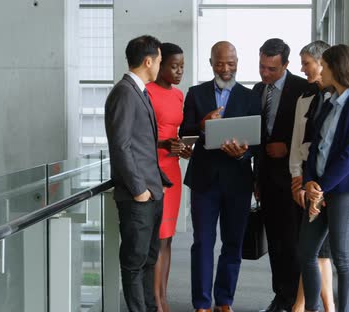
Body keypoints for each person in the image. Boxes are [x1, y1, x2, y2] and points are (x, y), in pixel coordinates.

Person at [180, 41, 261, 312]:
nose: (226, 68)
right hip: (204, 180)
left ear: (238, 61)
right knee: (202, 242)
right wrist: (203, 125)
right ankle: (202, 303)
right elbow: (185, 133)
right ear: (211, 62)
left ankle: (224, 301)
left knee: (233, 243)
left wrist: (242, 154)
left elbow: (257, 142)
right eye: (220, 63)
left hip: (238, 181)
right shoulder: (195, 94)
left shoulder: (250, 97)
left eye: (231, 63)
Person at [300, 44, 349, 312]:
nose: (321, 70)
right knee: (306, 253)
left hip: (343, 191)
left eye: (325, 66)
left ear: (336, 68)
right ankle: (312, 308)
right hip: (318, 188)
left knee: (342, 258)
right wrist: (310, 181)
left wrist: (321, 186)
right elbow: (315, 146)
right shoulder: (329, 102)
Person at [104, 35, 173, 312]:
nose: (160, 66)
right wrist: (138, 190)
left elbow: (141, 143)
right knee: (134, 263)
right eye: (159, 60)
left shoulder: (139, 91)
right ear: (148, 61)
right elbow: (120, 146)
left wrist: (157, 185)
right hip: (138, 196)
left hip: (152, 192)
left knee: (148, 259)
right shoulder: (123, 92)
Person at [253, 38, 309, 312]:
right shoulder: (257, 89)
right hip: (267, 179)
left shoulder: (302, 89)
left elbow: (311, 133)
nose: (265, 74)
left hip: (293, 178)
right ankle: (280, 296)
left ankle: (295, 299)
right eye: (262, 66)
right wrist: (256, 180)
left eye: (271, 69)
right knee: (274, 242)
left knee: (292, 242)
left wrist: (287, 147)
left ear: (285, 65)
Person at [288, 41, 335, 312]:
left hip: (324, 182)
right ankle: (320, 306)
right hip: (305, 179)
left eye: (306, 63)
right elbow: (297, 143)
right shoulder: (304, 99)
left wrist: (317, 184)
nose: (302, 68)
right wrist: (296, 179)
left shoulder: (336, 100)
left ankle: (306, 305)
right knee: (314, 250)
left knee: (318, 251)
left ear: (322, 63)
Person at [146, 42, 191, 312]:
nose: (178, 71)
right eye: (173, 66)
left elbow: (175, 132)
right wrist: (163, 145)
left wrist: (183, 148)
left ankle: (163, 296)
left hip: (173, 167)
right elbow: (139, 137)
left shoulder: (178, 95)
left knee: (168, 238)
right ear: (160, 65)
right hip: (153, 167)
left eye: (182, 67)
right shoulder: (146, 92)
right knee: (157, 237)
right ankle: (156, 301)